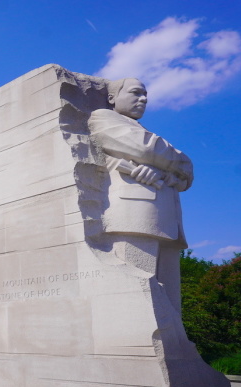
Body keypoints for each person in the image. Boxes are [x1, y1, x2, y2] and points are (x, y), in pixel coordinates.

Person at [88, 77, 193, 312]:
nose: (143, 99)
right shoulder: (103, 117)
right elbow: (146, 148)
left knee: (170, 303)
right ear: (112, 98)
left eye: (145, 95)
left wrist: (163, 169)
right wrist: (176, 160)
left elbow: (188, 173)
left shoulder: (145, 131)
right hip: (134, 216)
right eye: (136, 93)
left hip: (168, 222)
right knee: (137, 299)